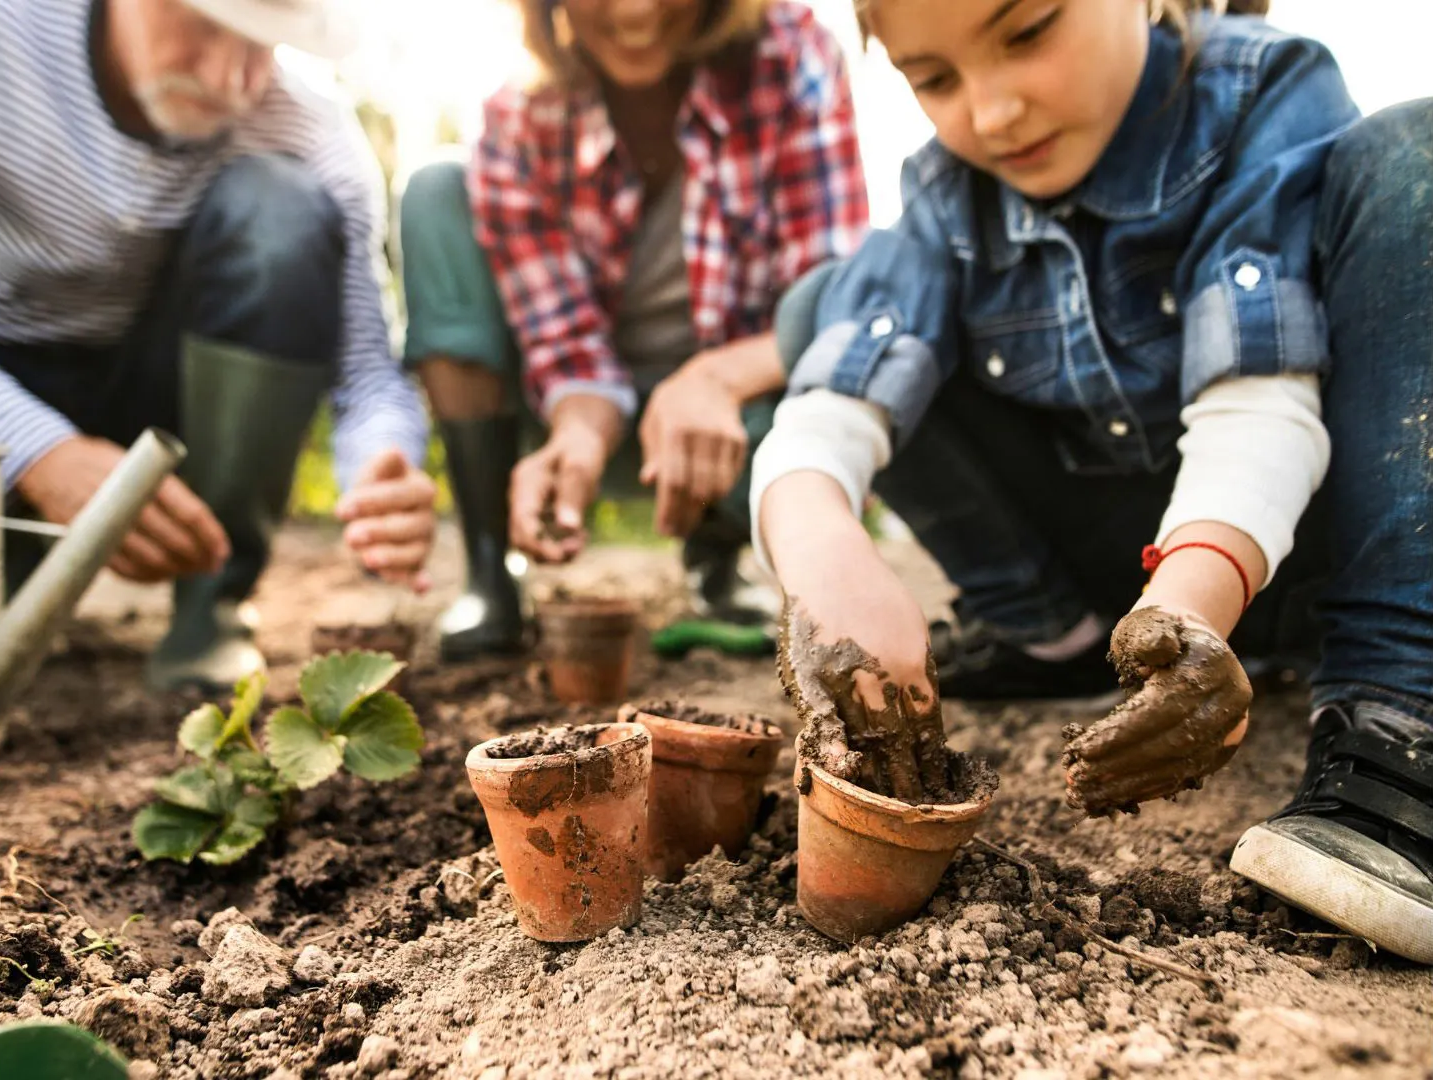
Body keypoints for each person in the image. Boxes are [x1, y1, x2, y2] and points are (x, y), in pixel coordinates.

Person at [754, 0, 1433, 961]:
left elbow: (1258, 407)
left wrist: (1189, 606)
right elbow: (826, 413)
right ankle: (1060, 642)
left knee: (1417, 152)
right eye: (934, 77)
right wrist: (825, 556)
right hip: (1124, 571)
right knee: (827, 310)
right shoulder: (950, 193)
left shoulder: (1263, 95)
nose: (990, 112)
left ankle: (1401, 717)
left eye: (1026, 32)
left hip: (1307, 549)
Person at [0, 0, 436, 691]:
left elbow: (368, 377)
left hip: (174, 394)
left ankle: (212, 609)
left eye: (265, 43)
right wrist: (39, 451)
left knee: (282, 209)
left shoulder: (310, 128)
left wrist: (380, 469)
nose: (232, 77)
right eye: (206, 23)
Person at [398, 0, 868, 661]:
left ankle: (719, 554)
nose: (637, 8)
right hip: (592, 421)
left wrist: (714, 380)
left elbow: (831, 301)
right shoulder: (517, 117)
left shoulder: (791, 53)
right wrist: (580, 432)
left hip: (743, 418)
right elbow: (564, 343)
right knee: (435, 190)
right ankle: (488, 565)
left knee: (848, 378)